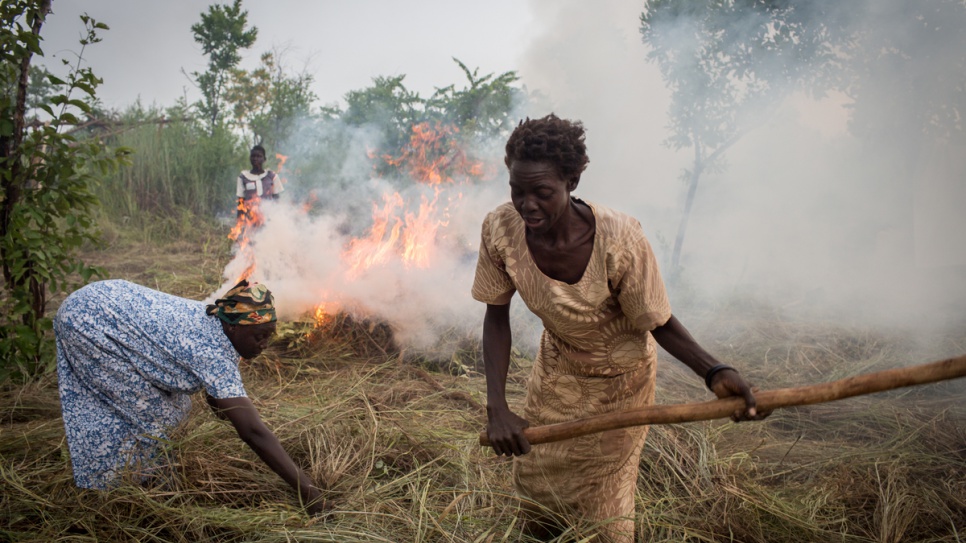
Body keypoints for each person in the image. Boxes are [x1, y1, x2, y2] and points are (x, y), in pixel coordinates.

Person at [472, 114, 766, 542]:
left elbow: (658, 322)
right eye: (517, 190)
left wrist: (715, 371)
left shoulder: (620, 239)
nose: (527, 204)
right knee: (539, 497)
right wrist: (496, 407)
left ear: (571, 181)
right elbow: (495, 317)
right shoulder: (500, 229)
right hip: (557, 376)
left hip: (622, 388)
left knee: (605, 514)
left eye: (542, 192)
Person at [55, 279, 328, 515]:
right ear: (234, 328)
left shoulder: (219, 322)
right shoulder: (210, 350)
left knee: (177, 410)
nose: (264, 345)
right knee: (152, 416)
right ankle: (123, 490)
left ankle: (143, 473)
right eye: (259, 336)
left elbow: (217, 395)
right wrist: (306, 489)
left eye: (269, 336)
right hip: (88, 321)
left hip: (106, 302)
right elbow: (253, 432)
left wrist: (226, 407)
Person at [236, 144, 284, 218]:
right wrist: (239, 220)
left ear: (264, 159)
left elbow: (277, 199)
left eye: (259, 156)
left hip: (268, 217)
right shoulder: (243, 177)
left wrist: (278, 218)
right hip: (249, 218)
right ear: (250, 158)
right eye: (253, 156)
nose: (255, 158)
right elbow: (241, 201)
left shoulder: (272, 176)